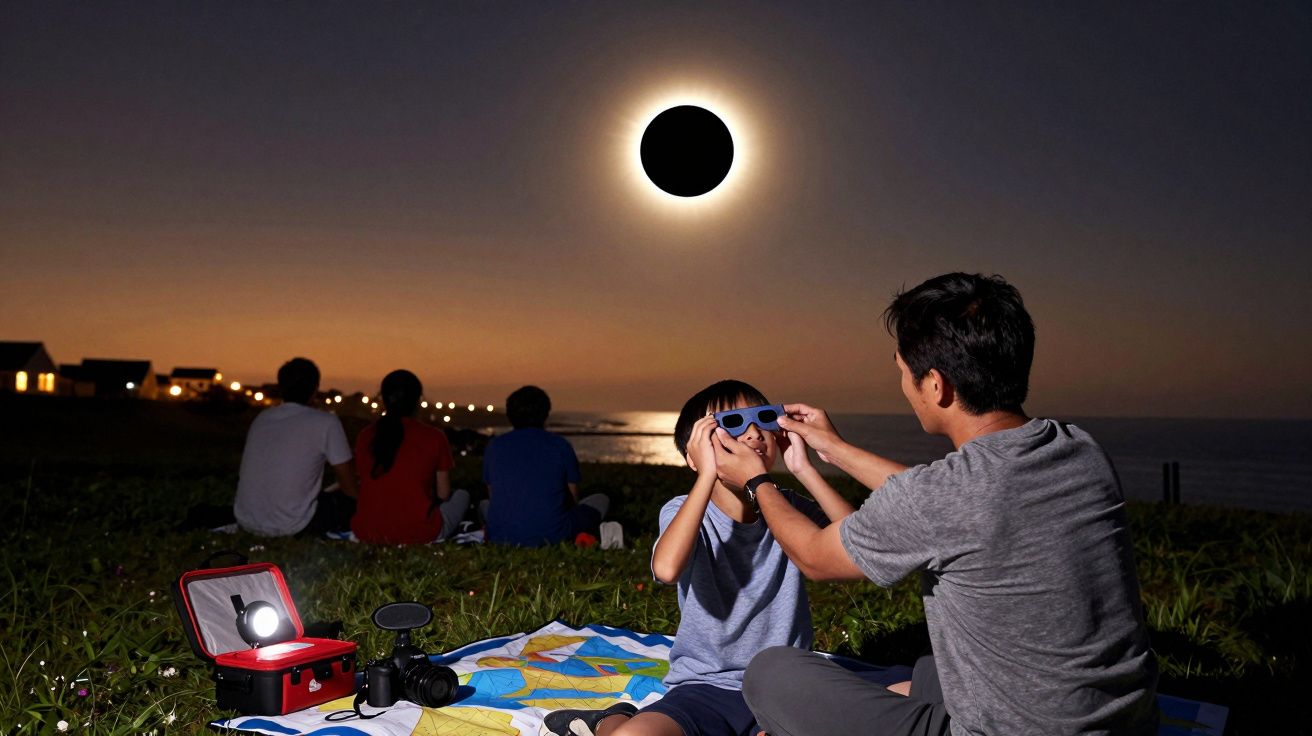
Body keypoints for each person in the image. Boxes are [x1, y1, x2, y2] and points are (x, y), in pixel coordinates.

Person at [710, 273, 1158, 736]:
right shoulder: (1080, 448)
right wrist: (834, 449)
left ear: (937, 386)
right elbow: (945, 501)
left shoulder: (942, 496)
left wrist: (756, 479)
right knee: (931, 671)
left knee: (770, 676)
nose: (904, 386)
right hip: (1126, 723)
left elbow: (816, 558)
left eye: (904, 373)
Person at [541, 380, 854, 736]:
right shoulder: (686, 511)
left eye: (762, 419)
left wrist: (805, 470)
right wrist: (706, 474)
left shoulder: (788, 508)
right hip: (706, 686)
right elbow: (666, 567)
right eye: (732, 425)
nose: (753, 434)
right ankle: (612, 720)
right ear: (696, 452)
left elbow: (855, 545)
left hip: (786, 684)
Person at [233, 357, 358, 536]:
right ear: (315, 389)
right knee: (346, 502)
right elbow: (350, 487)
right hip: (294, 525)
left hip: (246, 521)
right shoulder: (326, 422)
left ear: (281, 388)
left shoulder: (263, 418)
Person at [350, 369, 471, 544]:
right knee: (462, 495)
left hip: (367, 531)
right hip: (420, 532)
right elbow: (443, 494)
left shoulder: (365, 436)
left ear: (383, 398)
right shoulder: (434, 436)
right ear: (417, 400)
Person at [481, 385, 609, 547]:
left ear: (510, 415)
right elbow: (572, 498)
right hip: (554, 534)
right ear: (545, 414)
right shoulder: (559, 445)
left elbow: (494, 497)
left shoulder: (494, 446)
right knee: (601, 500)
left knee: (484, 505)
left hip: (501, 536)